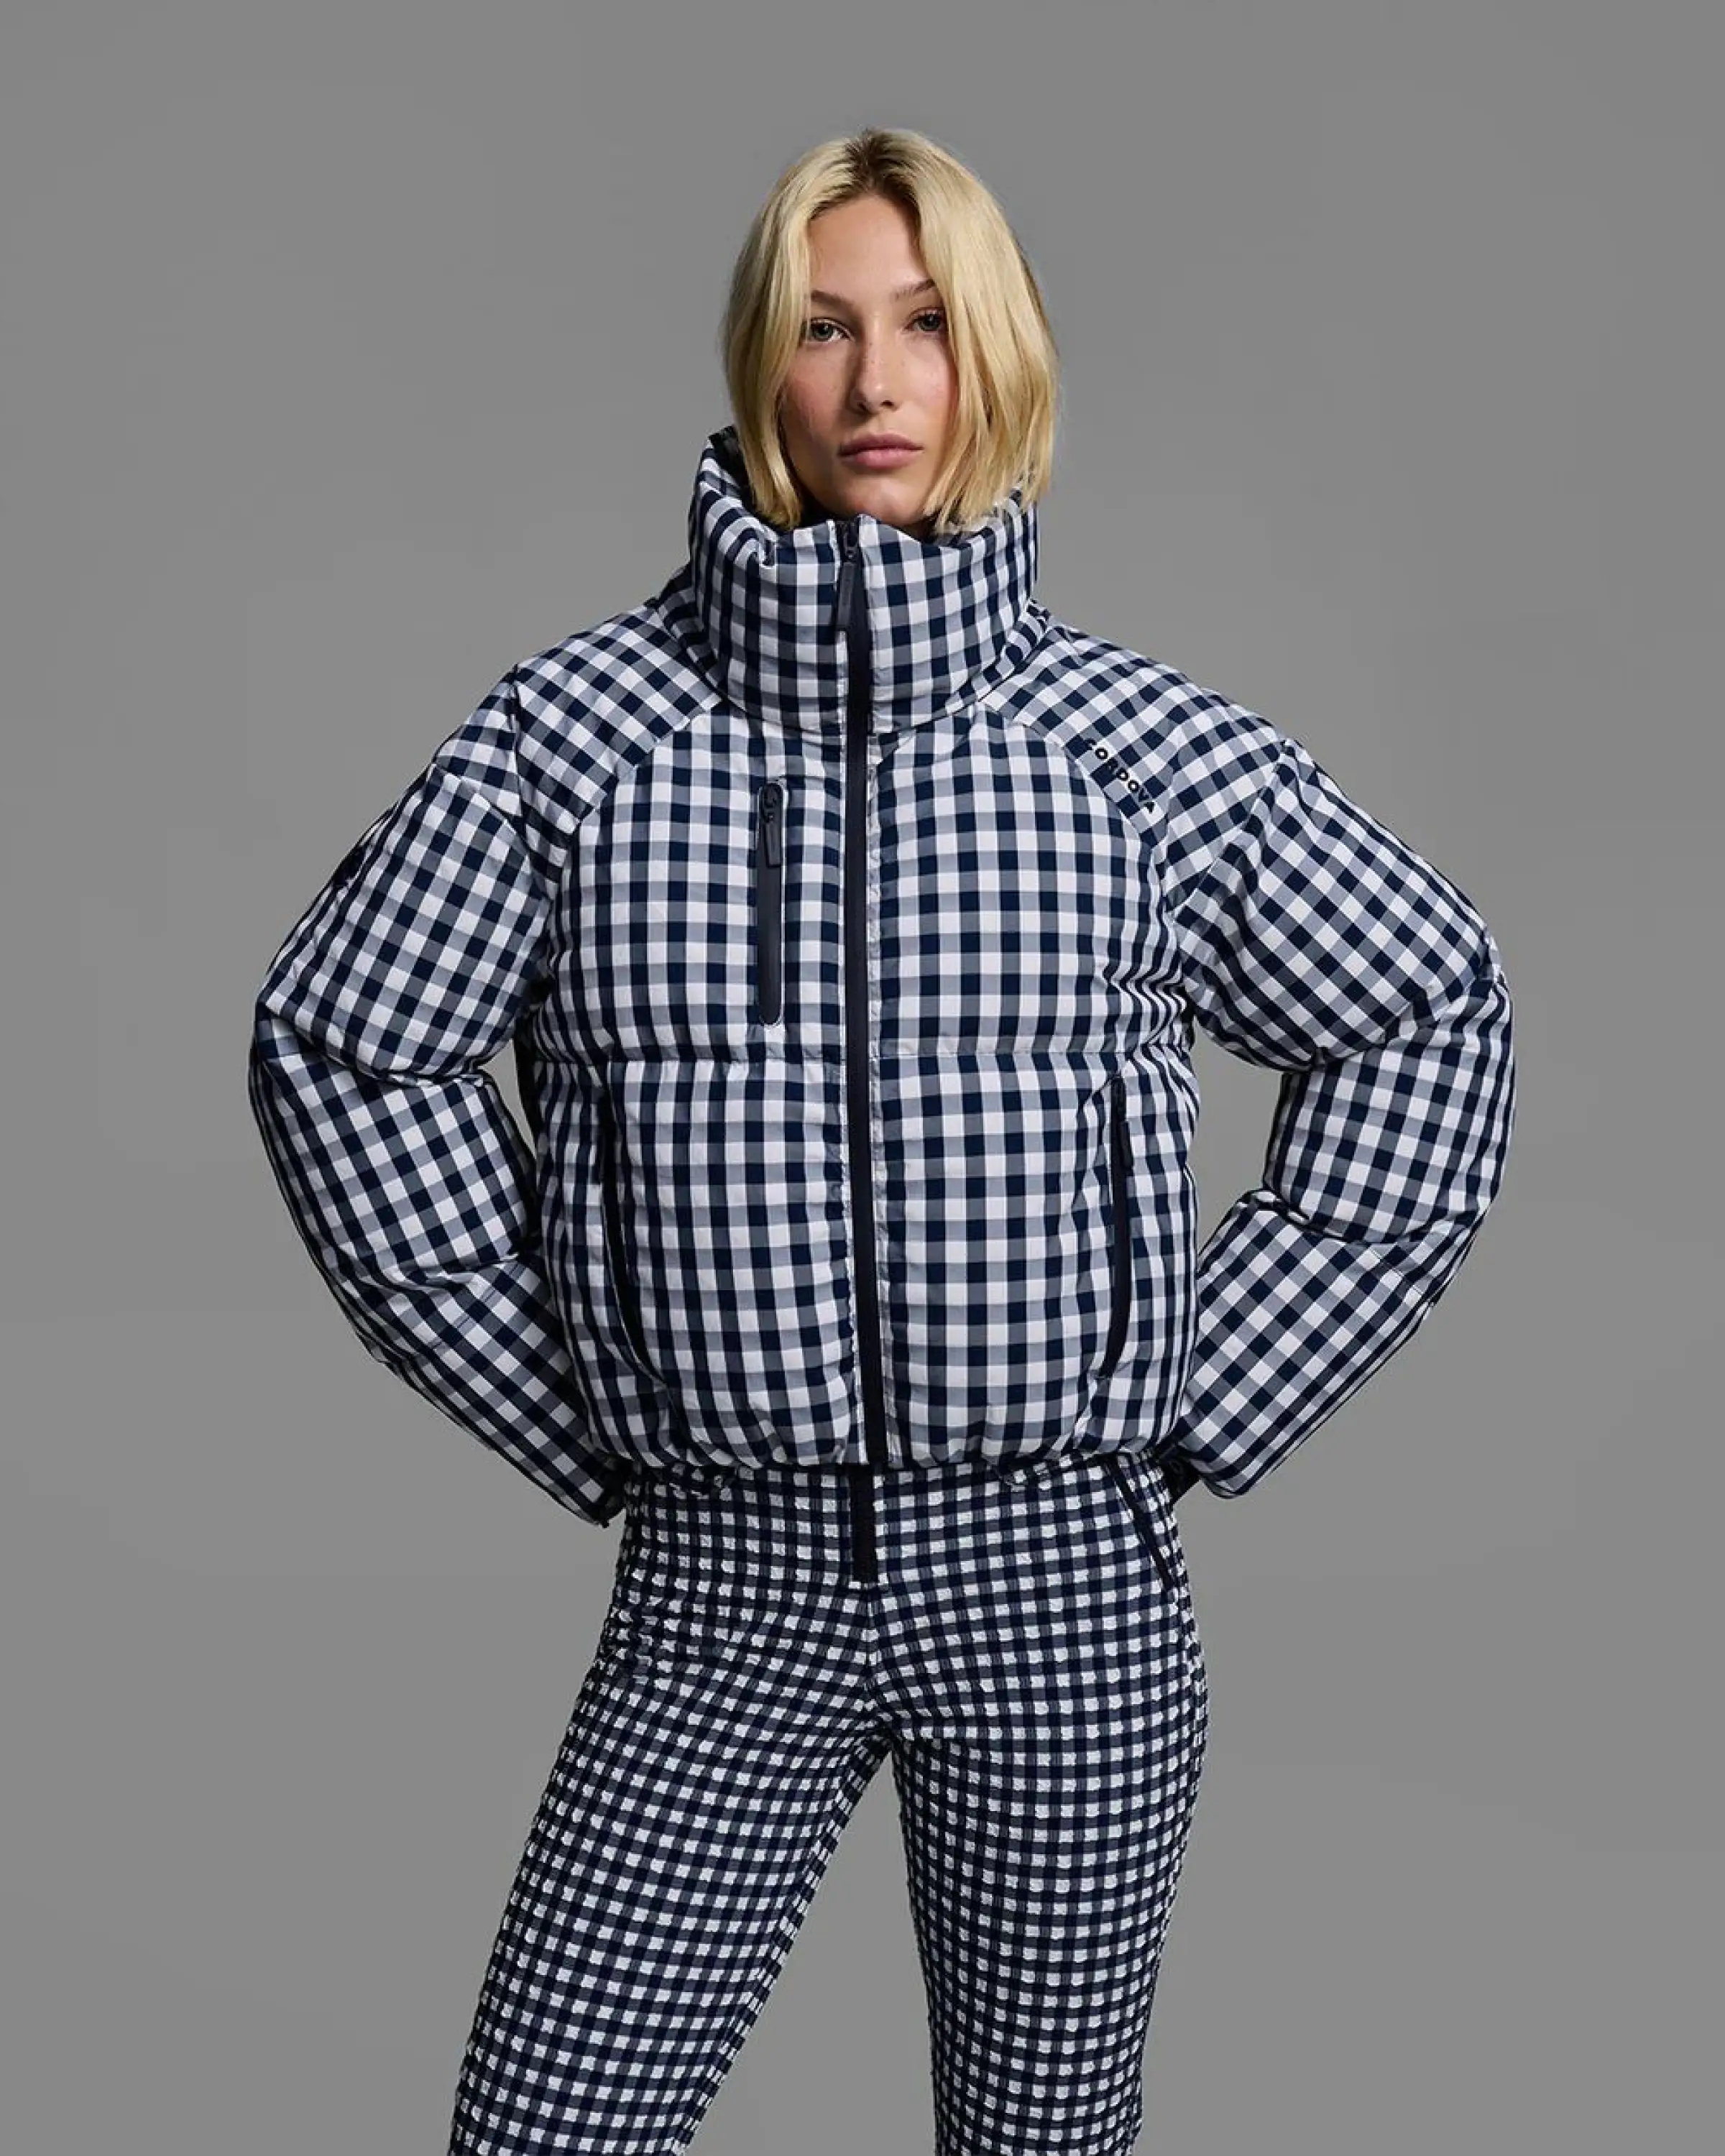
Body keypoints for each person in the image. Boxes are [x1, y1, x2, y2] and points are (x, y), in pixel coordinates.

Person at [247, 126, 1517, 2156]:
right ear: (761, 359)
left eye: (927, 324)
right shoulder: (577, 741)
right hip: (723, 1594)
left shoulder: (1142, 756)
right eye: (824, 326)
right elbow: (344, 1042)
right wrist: (575, 1392)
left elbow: (1423, 1010)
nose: (875, 383)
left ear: (997, 353)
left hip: (1064, 1597)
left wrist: (1207, 1389)